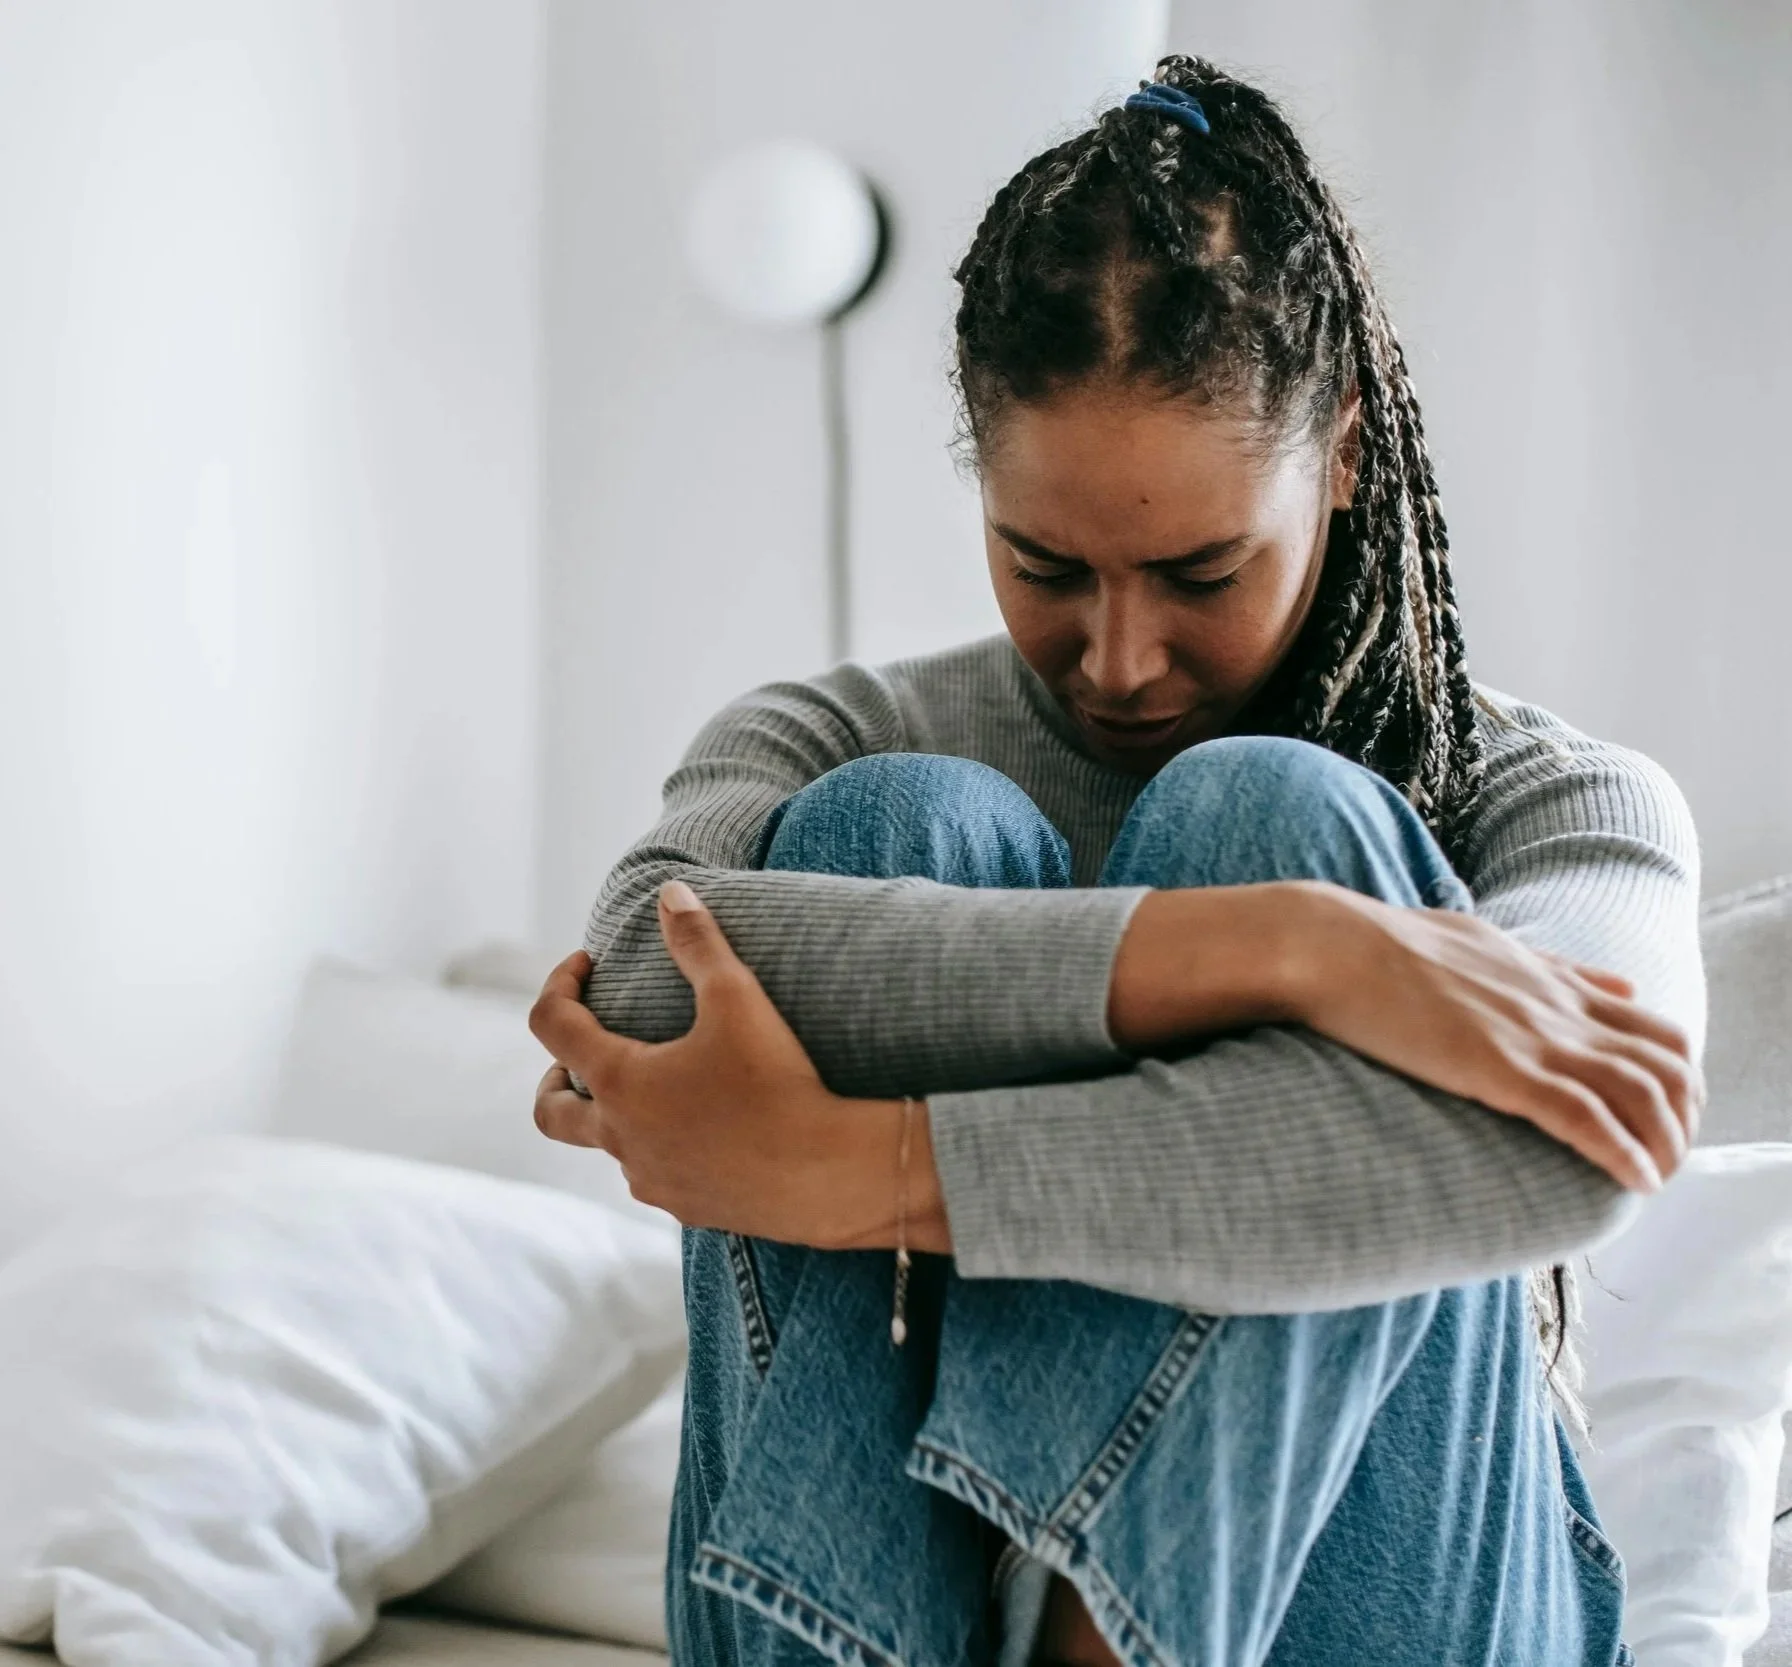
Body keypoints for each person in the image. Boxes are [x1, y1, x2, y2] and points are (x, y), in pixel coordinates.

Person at [528, 55, 1703, 1667]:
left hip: (1386, 1608)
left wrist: (860, 1168)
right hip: (888, 1608)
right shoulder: (825, 731)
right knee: (897, 829)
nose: (1122, 657)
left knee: (1283, 809)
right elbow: (641, 985)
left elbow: (1581, 1147)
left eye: (1202, 568)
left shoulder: (1545, 796)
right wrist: (1290, 952)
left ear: (1343, 454)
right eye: (1045, 564)